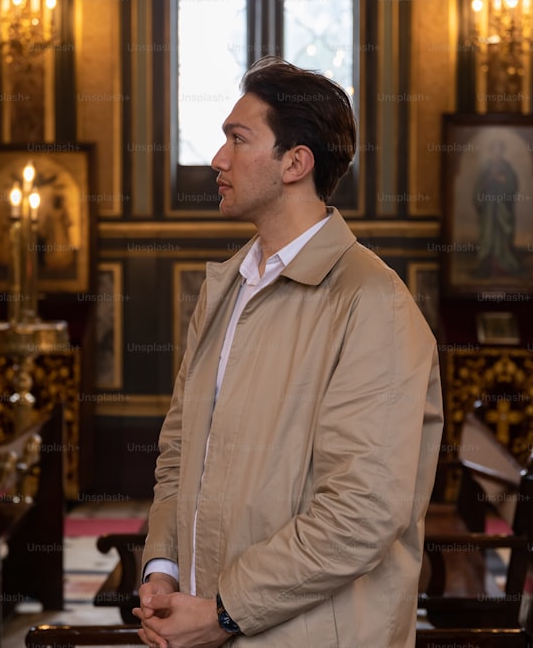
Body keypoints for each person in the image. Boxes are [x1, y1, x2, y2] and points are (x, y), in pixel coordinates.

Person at [133, 57, 444, 648]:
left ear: (296, 163)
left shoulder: (372, 304)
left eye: (238, 139)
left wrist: (224, 611)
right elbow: (179, 453)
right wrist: (163, 570)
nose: (218, 160)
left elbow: (363, 512)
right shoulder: (226, 287)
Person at [472, 139, 523, 278]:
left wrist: (503, 181)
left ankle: (504, 264)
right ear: (490, 152)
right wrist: (488, 181)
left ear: (502, 152)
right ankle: (486, 264)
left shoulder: (508, 168)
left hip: (502, 209)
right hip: (489, 211)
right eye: (494, 150)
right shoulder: (485, 169)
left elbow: (512, 186)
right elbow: (478, 190)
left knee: (502, 236)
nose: (497, 153)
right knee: (488, 235)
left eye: (499, 150)